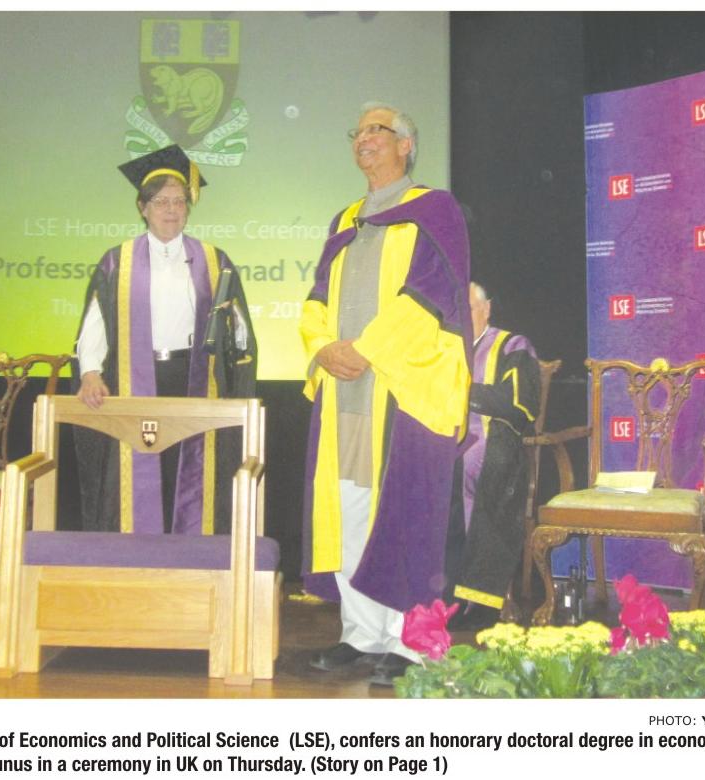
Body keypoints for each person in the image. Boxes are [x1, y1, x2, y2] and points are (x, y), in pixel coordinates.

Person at [300, 103, 472, 686]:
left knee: (407, 513)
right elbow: (317, 297)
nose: (365, 138)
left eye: (379, 129)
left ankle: (412, 643)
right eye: (359, 131)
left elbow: (429, 295)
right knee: (351, 506)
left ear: (406, 146)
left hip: (407, 388)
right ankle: (361, 633)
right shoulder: (345, 219)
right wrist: (323, 347)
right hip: (347, 392)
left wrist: (366, 350)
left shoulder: (434, 209)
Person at [73, 144, 256, 536]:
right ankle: (137, 556)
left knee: (191, 473)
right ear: (143, 208)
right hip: (134, 377)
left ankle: (191, 555)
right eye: (161, 202)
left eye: (179, 201)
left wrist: (234, 370)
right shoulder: (117, 261)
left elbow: (238, 325)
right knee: (140, 472)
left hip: (194, 377)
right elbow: (96, 322)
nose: (171, 209)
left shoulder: (213, 260)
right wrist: (90, 371)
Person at [444, 282, 541, 630]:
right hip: (445, 442)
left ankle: (476, 600)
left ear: (487, 309)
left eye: (469, 308)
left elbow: (518, 404)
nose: (462, 316)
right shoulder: (444, 348)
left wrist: (459, 390)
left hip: (492, 441)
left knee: (477, 466)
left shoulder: (512, 345)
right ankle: (439, 596)